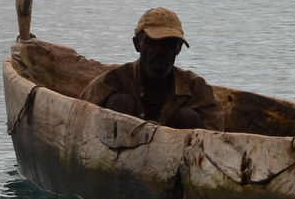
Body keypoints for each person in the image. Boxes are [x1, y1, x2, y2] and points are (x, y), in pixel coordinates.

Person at [81, 7, 223, 130]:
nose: (160, 51)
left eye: (169, 44)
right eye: (152, 43)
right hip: (114, 156)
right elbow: (79, 122)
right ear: (137, 44)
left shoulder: (197, 89)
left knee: (187, 117)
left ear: (178, 49)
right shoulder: (110, 82)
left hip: (173, 158)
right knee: (121, 103)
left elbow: (216, 139)